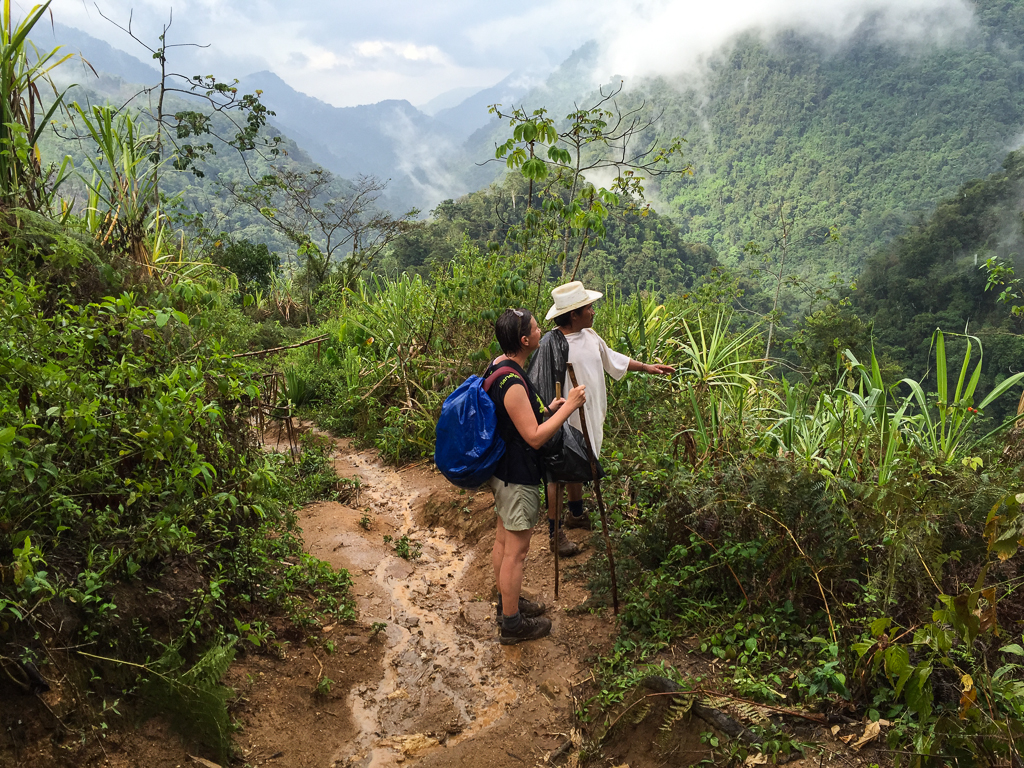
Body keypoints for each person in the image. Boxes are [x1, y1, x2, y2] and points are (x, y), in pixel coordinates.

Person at [485, 308, 586, 645]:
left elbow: (522, 417)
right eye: (534, 327)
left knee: (503, 540)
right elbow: (534, 436)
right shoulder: (511, 381)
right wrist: (570, 407)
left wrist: (550, 409)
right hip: (517, 474)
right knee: (517, 551)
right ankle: (512, 625)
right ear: (525, 340)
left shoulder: (502, 365)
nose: (541, 329)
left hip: (503, 472)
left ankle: (506, 606)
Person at [542, 282, 675, 531]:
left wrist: (647, 367)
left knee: (581, 461)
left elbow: (611, 357)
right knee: (560, 472)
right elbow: (543, 384)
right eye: (589, 308)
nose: (593, 312)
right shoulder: (554, 345)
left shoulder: (590, 336)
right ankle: (554, 531)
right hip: (565, 417)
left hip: (591, 414)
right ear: (574, 314)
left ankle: (576, 513)